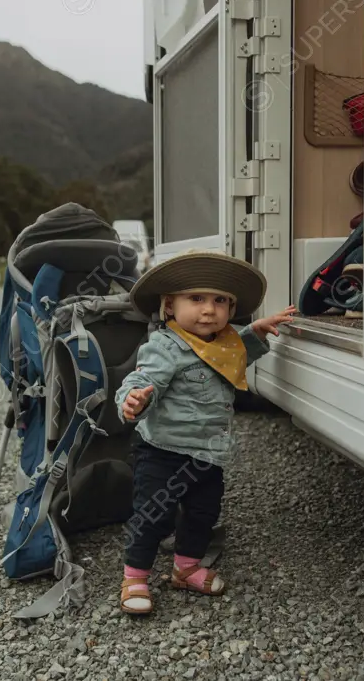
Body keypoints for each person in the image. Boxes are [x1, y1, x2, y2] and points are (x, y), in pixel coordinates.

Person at [114, 250, 296, 614]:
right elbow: (143, 377)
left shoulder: (225, 341)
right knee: (154, 514)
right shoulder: (166, 346)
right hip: (163, 451)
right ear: (169, 306)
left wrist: (256, 332)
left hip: (208, 454)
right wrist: (131, 399)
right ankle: (135, 577)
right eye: (196, 299)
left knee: (203, 513)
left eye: (220, 301)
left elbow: (232, 355)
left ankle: (186, 567)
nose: (209, 310)